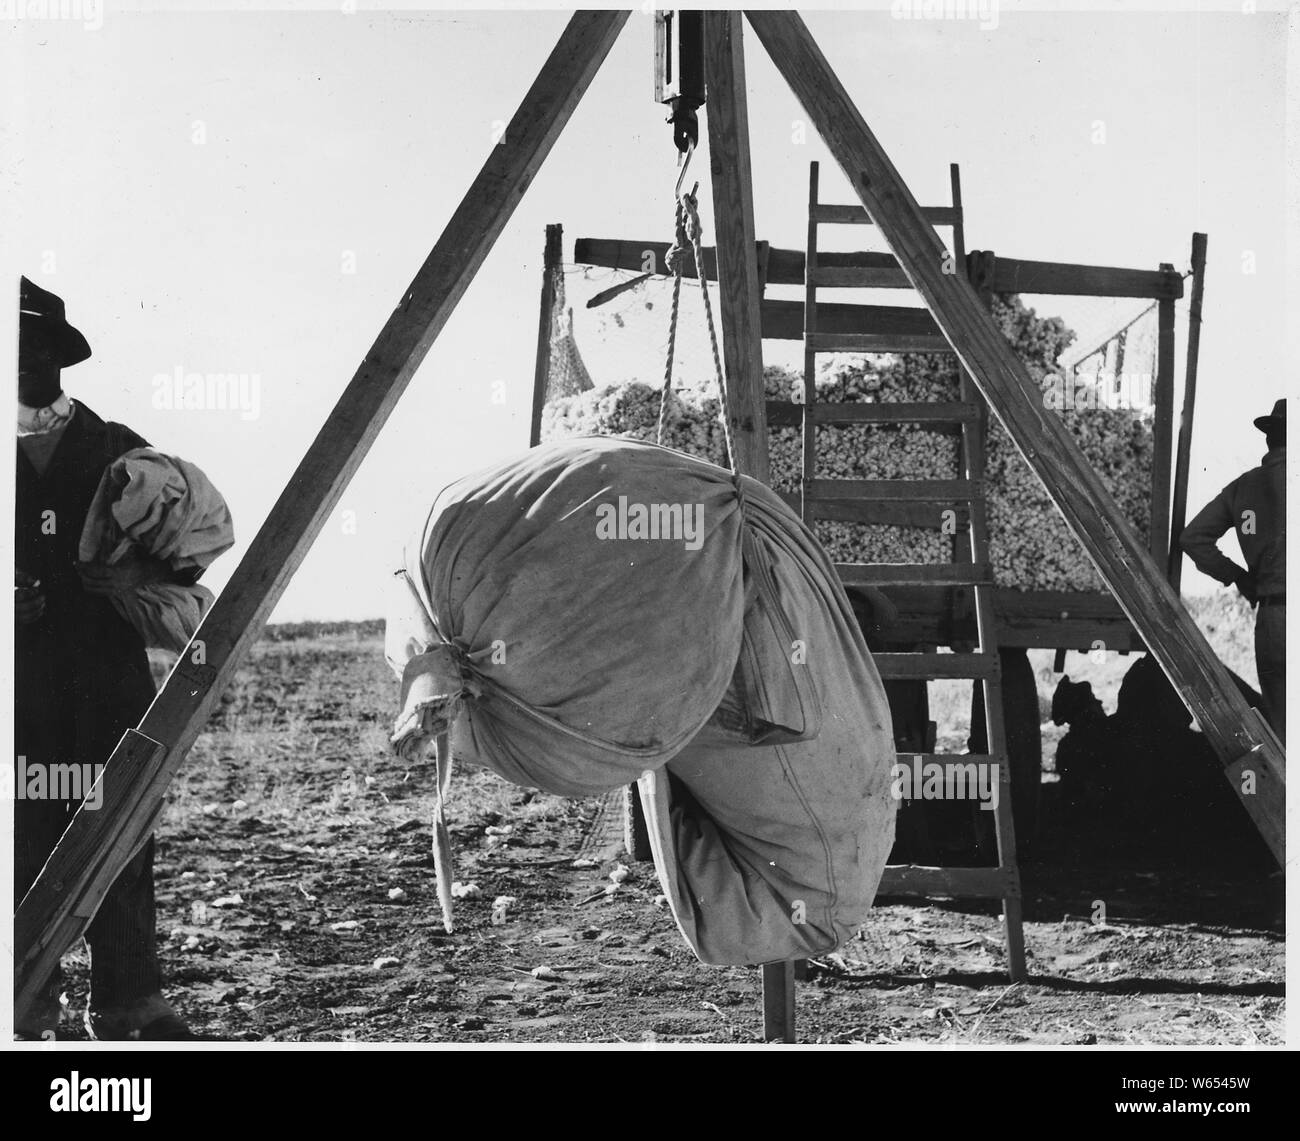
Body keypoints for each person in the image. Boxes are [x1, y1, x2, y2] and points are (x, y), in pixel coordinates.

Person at [15, 276, 199, 1040]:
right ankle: (26, 996)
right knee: (20, 834)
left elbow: (183, 557)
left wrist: (131, 577)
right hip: (18, 689)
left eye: (33, 342)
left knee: (118, 828)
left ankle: (127, 1000)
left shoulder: (120, 449)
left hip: (106, 678)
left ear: (58, 354)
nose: (21, 357)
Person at [1180, 398, 1286, 742]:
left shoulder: (1244, 486)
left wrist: (1238, 576)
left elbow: (1193, 538)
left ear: (1270, 438)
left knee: (1283, 731)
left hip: (1273, 619)